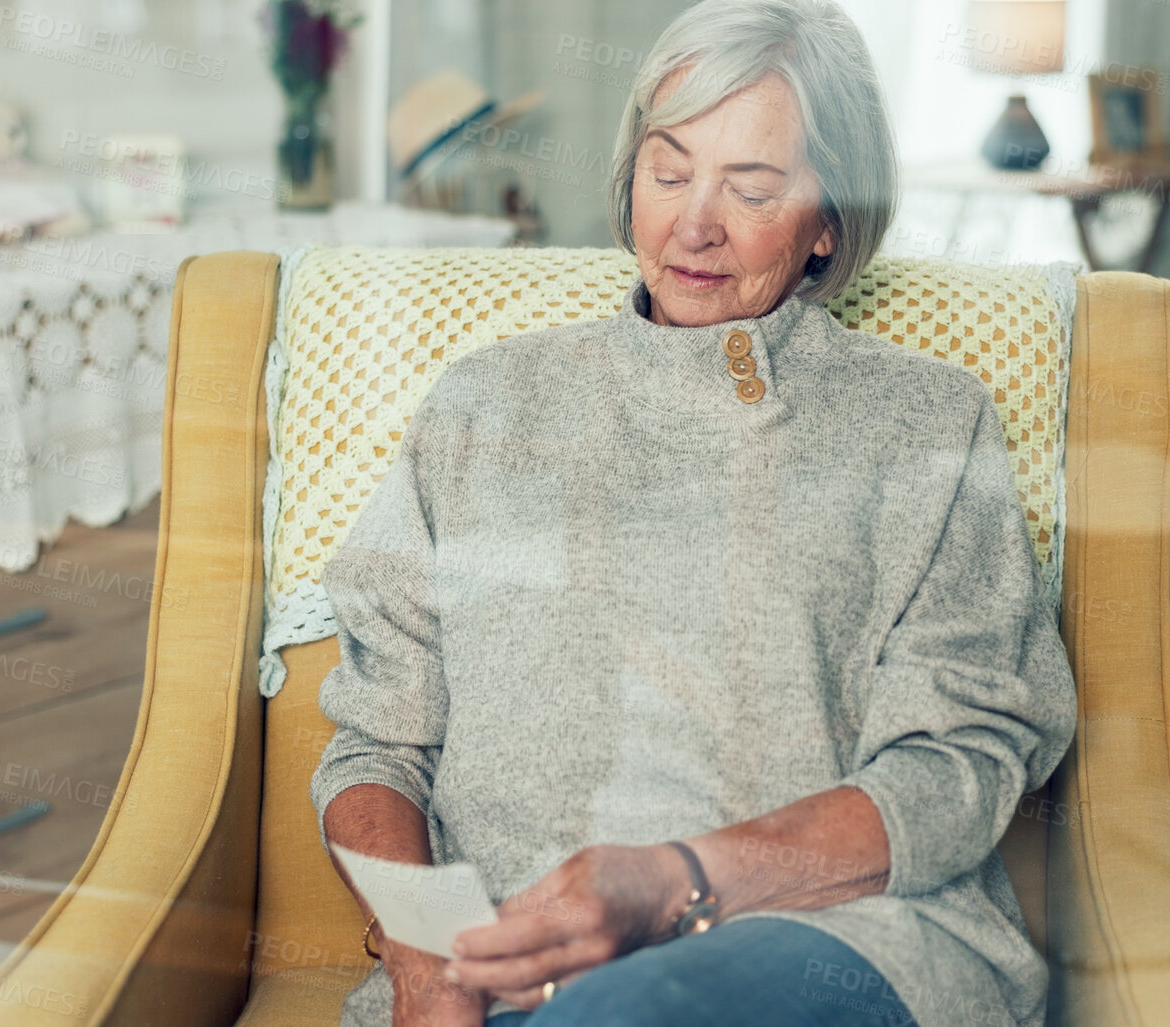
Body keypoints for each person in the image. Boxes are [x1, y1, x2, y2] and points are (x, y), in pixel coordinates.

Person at [310, 1, 1077, 1024]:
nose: (693, 225)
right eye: (668, 174)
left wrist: (671, 883)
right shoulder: (485, 403)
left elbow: (959, 764)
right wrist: (424, 958)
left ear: (829, 225)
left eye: (752, 188)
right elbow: (376, 745)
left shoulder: (928, 423)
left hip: (836, 939)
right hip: (498, 962)